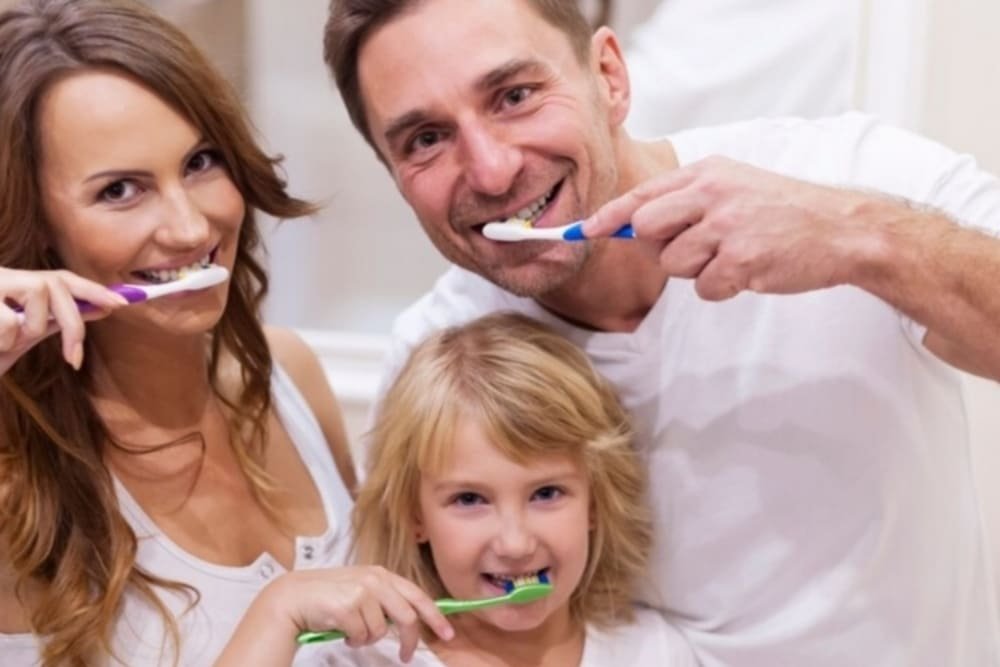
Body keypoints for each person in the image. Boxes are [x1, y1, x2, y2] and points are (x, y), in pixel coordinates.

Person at [322, 0, 1000, 665]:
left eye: (515, 95)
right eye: (426, 140)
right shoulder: (435, 360)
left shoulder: (846, 178)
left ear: (610, 76)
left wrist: (857, 237)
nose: (492, 171)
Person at [0, 1, 451, 665]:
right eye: (121, 190)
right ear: (35, 226)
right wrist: (276, 614)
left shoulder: (290, 374)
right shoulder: (18, 492)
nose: (190, 227)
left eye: (201, 162)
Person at [322, 312, 695, 666]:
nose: (515, 545)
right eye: (469, 499)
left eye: (546, 493)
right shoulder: (363, 657)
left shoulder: (656, 655)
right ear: (414, 516)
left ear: (595, 502)